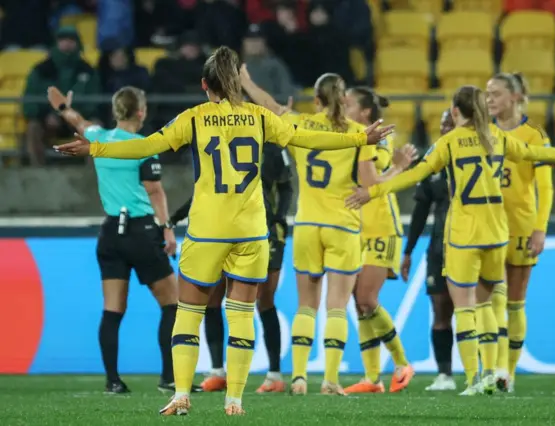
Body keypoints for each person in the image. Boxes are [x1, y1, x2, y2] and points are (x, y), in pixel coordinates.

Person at [54, 46, 392, 415]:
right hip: (250, 232)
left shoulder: (196, 118)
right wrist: (360, 138)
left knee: (189, 312)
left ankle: (182, 393)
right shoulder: (260, 118)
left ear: (204, 84)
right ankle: (235, 400)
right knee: (242, 313)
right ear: (236, 84)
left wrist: (96, 147)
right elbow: (305, 138)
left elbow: (147, 146)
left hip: (208, 231)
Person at [346, 85, 555, 395]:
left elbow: (415, 176)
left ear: (456, 112)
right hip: (497, 233)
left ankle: (472, 378)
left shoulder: (449, 142)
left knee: (466, 307)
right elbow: (537, 154)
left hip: (464, 234)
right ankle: (496, 371)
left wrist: (372, 192)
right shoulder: (498, 138)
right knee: (491, 304)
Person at [240, 69, 414, 396]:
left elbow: (270, 106)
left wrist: (246, 81)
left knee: (306, 305)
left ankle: (299, 377)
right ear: (343, 98)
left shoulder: (301, 124)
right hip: (343, 225)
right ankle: (331, 379)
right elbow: (371, 185)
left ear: (316, 100)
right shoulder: (358, 133)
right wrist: (398, 167)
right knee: (336, 305)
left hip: (306, 224)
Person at [46, 85, 180, 394]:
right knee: (173, 304)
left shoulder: (98, 138)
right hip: (142, 231)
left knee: (113, 309)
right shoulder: (144, 145)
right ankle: (169, 378)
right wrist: (168, 229)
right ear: (141, 112)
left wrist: (64, 108)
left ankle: (113, 380)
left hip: (110, 233)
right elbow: (154, 191)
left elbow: (79, 124)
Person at [171, 139, 294, 394]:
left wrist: (278, 218)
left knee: (263, 300)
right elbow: (204, 191)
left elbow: (287, 188)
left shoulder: (271, 146)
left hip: (264, 232)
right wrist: (175, 217)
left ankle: (274, 374)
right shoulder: (222, 140)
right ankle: (217, 371)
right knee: (213, 297)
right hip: (221, 230)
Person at [340, 87, 416, 394]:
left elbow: (373, 181)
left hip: (381, 226)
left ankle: (401, 362)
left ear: (365, 112)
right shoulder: (352, 136)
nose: (341, 108)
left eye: (347, 104)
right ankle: (372, 379)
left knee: (366, 299)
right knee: (360, 304)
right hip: (356, 226)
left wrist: (398, 168)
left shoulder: (379, 140)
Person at [486, 73, 554, 393]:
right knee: (491, 302)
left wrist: (540, 228)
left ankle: (507, 374)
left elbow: (545, 187)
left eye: (496, 94)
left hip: (521, 227)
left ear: (514, 97)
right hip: (486, 226)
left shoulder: (534, 135)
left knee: (514, 303)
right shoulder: (481, 133)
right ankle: (491, 368)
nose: (489, 100)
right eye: (487, 94)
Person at [401, 110, 456, 392]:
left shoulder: (478, 157)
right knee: (440, 308)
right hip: (438, 246)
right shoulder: (433, 162)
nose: (445, 128)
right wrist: (408, 251)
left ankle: (488, 371)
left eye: (451, 122)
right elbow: (421, 209)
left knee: (478, 310)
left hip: (471, 243)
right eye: (443, 123)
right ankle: (445, 374)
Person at [23, 26, 102, 165]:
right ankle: (36, 174)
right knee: (33, 127)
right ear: (56, 43)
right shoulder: (41, 70)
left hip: (78, 120)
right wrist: (45, 115)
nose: (67, 44)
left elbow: (95, 100)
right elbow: (29, 101)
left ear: (78, 43)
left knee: (95, 128)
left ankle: (92, 176)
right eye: (63, 40)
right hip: (48, 121)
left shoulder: (88, 71)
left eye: (71, 40)